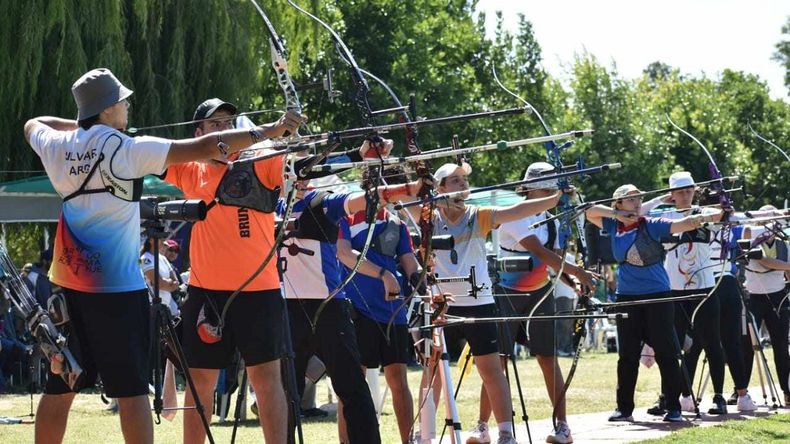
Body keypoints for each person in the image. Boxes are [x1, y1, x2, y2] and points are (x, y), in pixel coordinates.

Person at [23, 68, 298, 444]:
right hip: (118, 290)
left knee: (61, 385)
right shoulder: (127, 150)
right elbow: (205, 147)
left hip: (67, 287)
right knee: (132, 391)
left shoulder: (58, 147)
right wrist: (267, 131)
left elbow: (32, 124)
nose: (127, 105)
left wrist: (84, 125)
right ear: (107, 108)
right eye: (121, 101)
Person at [424, 162, 575, 444]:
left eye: (464, 180)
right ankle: (425, 435)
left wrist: (555, 198)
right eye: (454, 181)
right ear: (440, 188)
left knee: (493, 370)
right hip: (441, 303)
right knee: (433, 371)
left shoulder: (478, 215)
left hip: (480, 301)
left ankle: (506, 434)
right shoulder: (426, 218)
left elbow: (517, 211)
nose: (462, 185)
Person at [280, 153, 424, 444]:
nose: (300, 180)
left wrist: (409, 188)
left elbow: (360, 200)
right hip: (287, 309)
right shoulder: (272, 208)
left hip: (328, 306)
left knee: (352, 386)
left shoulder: (323, 202)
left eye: (306, 174)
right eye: (295, 174)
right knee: (285, 392)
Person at [478, 162, 597, 444]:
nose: (547, 192)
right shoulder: (515, 215)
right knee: (499, 361)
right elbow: (540, 252)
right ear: (530, 189)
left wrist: (574, 283)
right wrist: (578, 271)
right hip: (508, 293)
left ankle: (563, 427)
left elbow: (553, 264)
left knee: (547, 358)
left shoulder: (552, 221)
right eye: (544, 187)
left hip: (541, 294)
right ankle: (483, 426)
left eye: (551, 188)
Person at [586, 183, 723, 422]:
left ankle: (673, 407)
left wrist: (706, 216)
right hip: (626, 297)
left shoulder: (651, 223)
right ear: (618, 204)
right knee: (627, 354)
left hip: (658, 295)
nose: (637, 204)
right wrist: (619, 214)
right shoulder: (612, 225)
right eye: (631, 200)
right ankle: (624, 408)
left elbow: (681, 224)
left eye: (639, 199)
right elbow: (590, 211)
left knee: (667, 352)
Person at [337, 166, 419, 444]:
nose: (391, 194)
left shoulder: (398, 224)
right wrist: (383, 274)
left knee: (398, 379)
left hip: (393, 311)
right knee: (352, 384)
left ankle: (408, 440)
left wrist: (421, 279)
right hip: (358, 309)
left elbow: (408, 260)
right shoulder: (346, 218)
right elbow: (344, 255)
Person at [639, 172, 730, 414]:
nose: (685, 194)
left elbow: (723, 214)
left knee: (712, 342)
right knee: (670, 347)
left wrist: (724, 204)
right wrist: (660, 200)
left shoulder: (703, 213)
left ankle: (719, 397)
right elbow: (635, 214)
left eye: (689, 190)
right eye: (680, 191)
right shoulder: (663, 216)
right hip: (674, 291)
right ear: (672, 194)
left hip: (704, 289)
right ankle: (667, 398)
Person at [742, 206, 790, 406]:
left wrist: (780, 266)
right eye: (764, 219)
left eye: (773, 219)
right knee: (747, 346)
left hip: (778, 297)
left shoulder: (785, 241)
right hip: (753, 297)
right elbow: (761, 259)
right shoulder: (750, 235)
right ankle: (741, 391)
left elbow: (785, 269)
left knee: (780, 345)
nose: (768, 224)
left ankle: (786, 391)